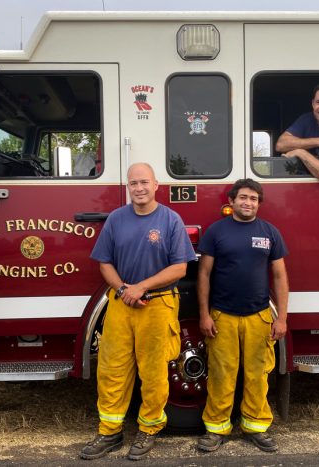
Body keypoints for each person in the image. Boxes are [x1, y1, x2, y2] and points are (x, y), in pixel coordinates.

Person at [81, 162, 196, 461]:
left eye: (144, 182)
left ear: (157, 185)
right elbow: (104, 262)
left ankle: (149, 429)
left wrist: (141, 287)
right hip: (121, 303)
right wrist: (122, 290)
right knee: (111, 370)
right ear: (128, 187)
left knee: (154, 372)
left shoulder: (170, 219)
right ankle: (109, 432)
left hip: (158, 304)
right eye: (134, 183)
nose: (139, 188)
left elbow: (180, 267)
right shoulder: (117, 219)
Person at [196, 178, 289, 453]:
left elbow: (280, 275)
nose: (248, 202)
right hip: (222, 316)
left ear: (259, 203)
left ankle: (255, 426)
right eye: (243, 198)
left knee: (257, 375)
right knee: (221, 374)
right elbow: (203, 274)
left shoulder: (270, 232)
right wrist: (204, 314)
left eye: (254, 198)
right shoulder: (216, 232)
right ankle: (216, 428)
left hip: (258, 316)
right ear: (232, 201)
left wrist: (281, 318)